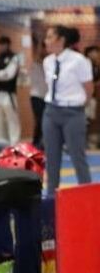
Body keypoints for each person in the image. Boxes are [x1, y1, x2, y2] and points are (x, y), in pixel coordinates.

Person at [41, 24, 93, 191]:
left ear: (61, 40)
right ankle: (51, 197)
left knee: (78, 157)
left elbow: (88, 88)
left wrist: (78, 106)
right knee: (51, 158)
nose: (46, 41)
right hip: (51, 112)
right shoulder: (47, 61)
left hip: (73, 112)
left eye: (49, 37)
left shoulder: (79, 61)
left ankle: (87, 197)